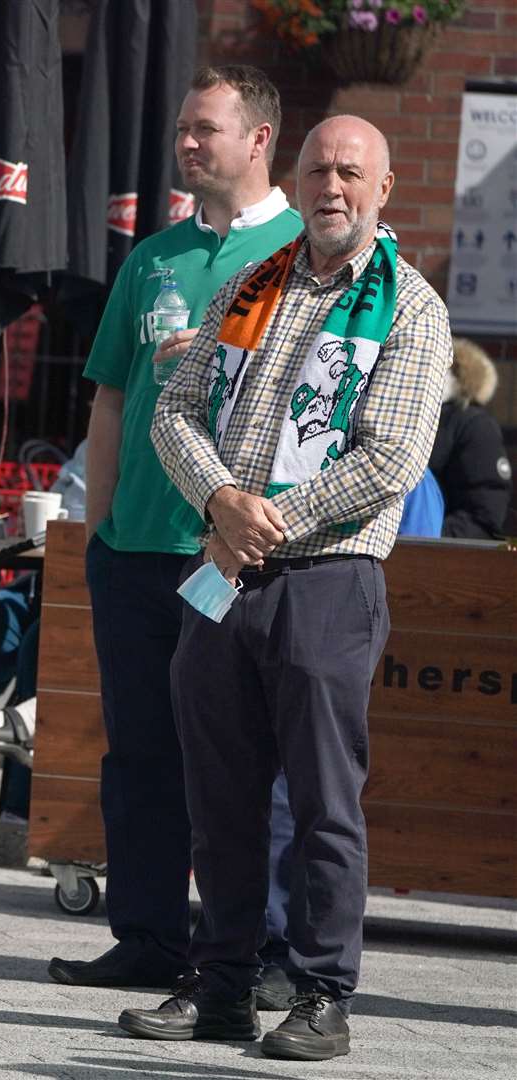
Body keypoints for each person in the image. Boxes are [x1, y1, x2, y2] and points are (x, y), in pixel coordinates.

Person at [128, 115, 451, 1061]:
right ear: (296, 178)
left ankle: (321, 994)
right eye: (318, 170)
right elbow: (173, 411)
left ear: (384, 189)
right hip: (225, 571)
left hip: (328, 577)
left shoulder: (410, 308)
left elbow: (391, 457)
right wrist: (223, 497)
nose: (332, 187)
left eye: (352, 172)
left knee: (322, 803)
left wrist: (271, 515)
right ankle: (222, 984)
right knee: (219, 800)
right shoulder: (250, 285)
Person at [49, 66, 305, 993]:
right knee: (141, 752)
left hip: (242, 556)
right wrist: (102, 526)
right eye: (184, 129)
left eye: (205, 129)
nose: (186, 143)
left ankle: (263, 950)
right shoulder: (151, 257)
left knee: (248, 761)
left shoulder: (302, 253)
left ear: (259, 138)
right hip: (139, 552)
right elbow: (111, 397)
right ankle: (149, 936)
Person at [429, 337, 510, 539]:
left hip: (441, 554)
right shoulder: (413, 415)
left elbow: (484, 510)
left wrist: (429, 535)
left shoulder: (474, 425)